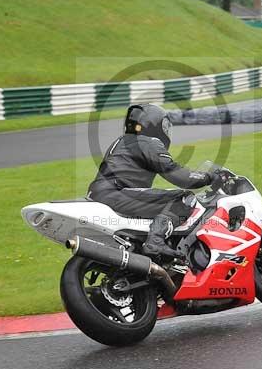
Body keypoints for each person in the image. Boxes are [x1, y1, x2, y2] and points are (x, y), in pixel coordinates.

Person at [87, 104, 220, 259]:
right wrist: (209, 177)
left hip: (103, 193)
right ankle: (156, 241)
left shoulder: (122, 141)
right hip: (117, 193)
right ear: (154, 123)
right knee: (184, 198)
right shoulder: (147, 142)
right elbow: (178, 175)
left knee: (157, 202)